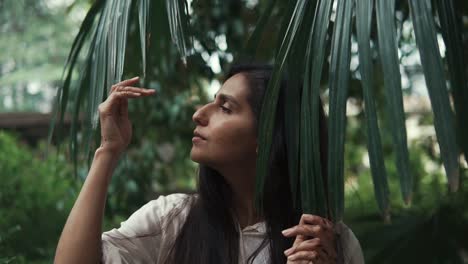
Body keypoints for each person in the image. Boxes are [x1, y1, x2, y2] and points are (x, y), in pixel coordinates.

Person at [54, 64, 364, 264]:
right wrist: (107, 150)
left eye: (225, 108)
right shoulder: (173, 220)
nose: (199, 114)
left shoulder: (329, 244)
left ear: (268, 137)